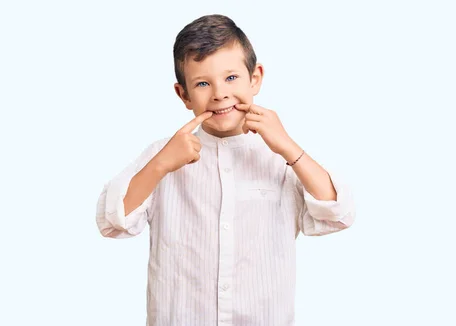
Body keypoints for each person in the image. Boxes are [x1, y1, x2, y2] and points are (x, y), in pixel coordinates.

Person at [96, 13, 355, 326]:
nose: (219, 93)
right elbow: (114, 222)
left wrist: (287, 146)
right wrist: (161, 164)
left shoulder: (280, 157)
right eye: (203, 83)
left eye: (231, 78)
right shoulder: (163, 155)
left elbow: (338, 214)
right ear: (184, 95)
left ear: (255, 78)